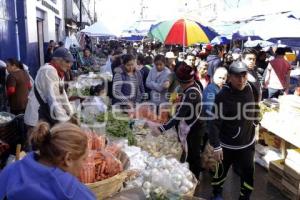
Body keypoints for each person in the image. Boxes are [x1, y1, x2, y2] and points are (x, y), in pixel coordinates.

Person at [0, 122, 96, 200]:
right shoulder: (76, 194)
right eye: (83, 159)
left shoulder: (10, 171)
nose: (84, 165)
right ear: (68, 159)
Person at [149, 62, 206, 179]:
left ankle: (193, 179)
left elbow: (178, 116)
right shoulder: (194, 85)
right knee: (192, 153)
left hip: (194, 128)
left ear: (181, 81)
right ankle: (192, 175)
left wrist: (161, 128)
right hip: (193, 123)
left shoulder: (192, 94)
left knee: (192, 155)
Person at [209, 61, 257, 200]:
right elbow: (214, 123)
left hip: (247, 145)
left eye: (244, 75)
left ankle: (244, 197)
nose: (241, 80)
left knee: (248, 174)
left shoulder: (249, 87)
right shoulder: (222, 96)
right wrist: (216, 145)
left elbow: (253, 106)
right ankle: (217, 193)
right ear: (230, 77)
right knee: (221, 173)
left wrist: (255, 121)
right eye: (237, 76)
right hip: (227, 146)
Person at [30, 47, 74, 126]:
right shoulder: (48, 71)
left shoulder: (59, 72)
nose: (69, 65)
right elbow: (54, 100)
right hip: (36, 121)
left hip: (43, 119)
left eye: (71, 62)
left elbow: (62, 95)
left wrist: (71, 113)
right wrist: (65, 122)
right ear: (56, 60)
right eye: (67, 61)